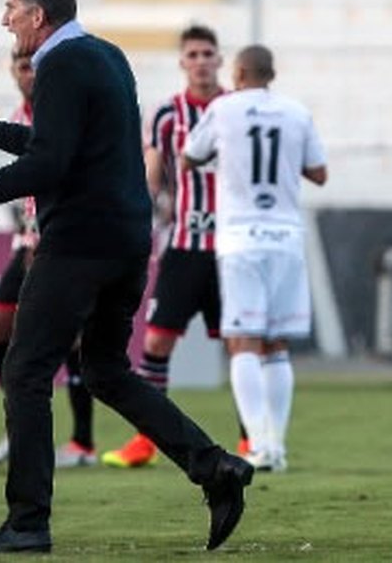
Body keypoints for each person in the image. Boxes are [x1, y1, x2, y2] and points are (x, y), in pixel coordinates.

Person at [0, 0, 252, 553]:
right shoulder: (105, 55)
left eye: (11, 8)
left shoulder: (58, 65)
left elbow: (50, 165)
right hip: (125, 240)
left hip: (78, 245)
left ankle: (27, 523)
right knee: (104, 369)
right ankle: (214, 466)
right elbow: (67, 146)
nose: (4, 19)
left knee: (25, 372)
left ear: (38, 16)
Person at [102, 24, 249, 468]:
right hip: (184, 246)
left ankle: (251, 441)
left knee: (240, 346)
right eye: (194, 54)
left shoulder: (238, 109)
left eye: (209, 53)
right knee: (158, 341)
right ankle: (145, 441)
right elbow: (153, 177)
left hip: (231, 248)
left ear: (220, 60)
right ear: (182, 63)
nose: (202, 61)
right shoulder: (167, 115)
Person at [0, 51, 97, 468]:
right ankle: (22, 430)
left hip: (62, 241)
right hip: (27, 239)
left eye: (33, 64)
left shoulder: (59, 111)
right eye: (20, 65)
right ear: (12, 72)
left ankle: (82, 442)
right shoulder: (19, 113)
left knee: (68, 339)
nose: (26, 72)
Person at [184, 45, 327, 473]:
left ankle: (258, 443)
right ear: (273, 73)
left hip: (241, 237)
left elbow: (190, 154)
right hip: (285, 236)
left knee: (242, 341)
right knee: (277, 344)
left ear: (240, 71)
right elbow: (319, 173)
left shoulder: (224, 109)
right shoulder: (297, 112)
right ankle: (276, 447)